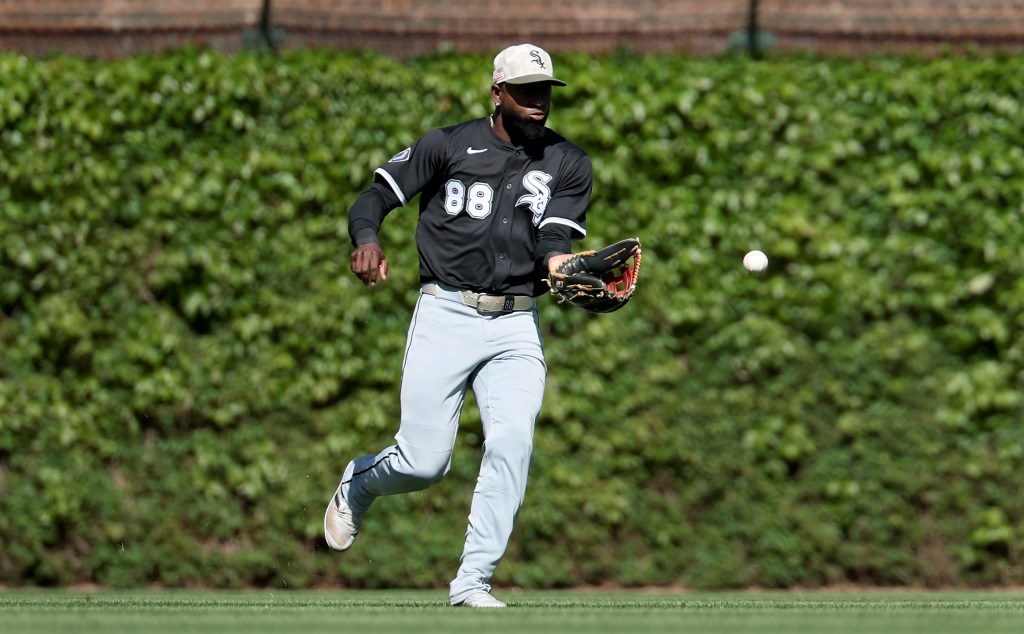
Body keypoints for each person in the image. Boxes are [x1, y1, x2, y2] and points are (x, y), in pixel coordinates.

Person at [324, 43, 592, 608]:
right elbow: (372, 198)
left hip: (516, 323)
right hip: (446, 312)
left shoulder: (569, 162)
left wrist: (562, 266)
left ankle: (473, 581)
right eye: (524, 91)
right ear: (497, 93)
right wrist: (367, 241)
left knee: (513, 442)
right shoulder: (446, 145)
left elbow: (555, 239)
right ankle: (361, 481)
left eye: (543, 91)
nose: (537, 102)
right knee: (424, 463)